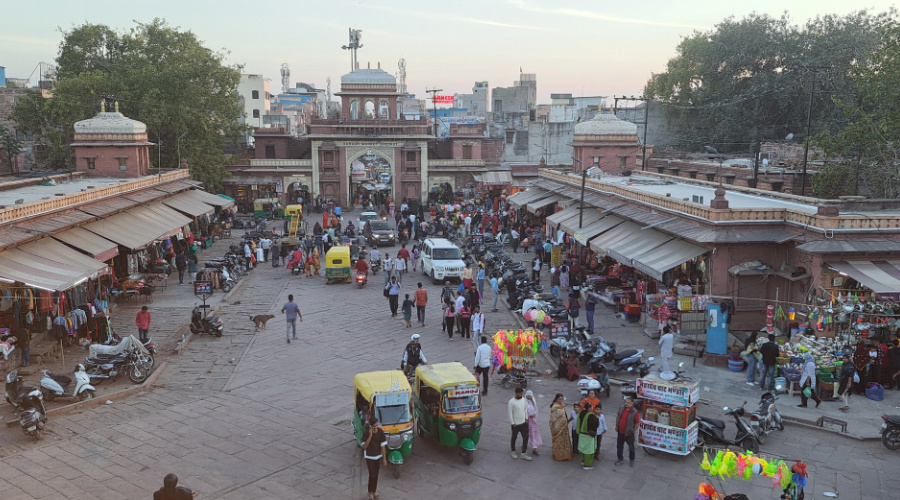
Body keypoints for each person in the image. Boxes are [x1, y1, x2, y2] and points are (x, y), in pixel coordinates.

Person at [362, 416, 387, 500]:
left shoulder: (380, 432)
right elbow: (364, 447)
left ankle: (374, 491)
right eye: (374, 426)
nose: (375, 427)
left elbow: (383, 446)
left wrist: (384, 458)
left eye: (376, 425)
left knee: (376, 475)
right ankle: (369, 492)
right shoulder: (366, 433)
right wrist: (370, 436)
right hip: (369, 457)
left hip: (378, 456)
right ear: (370, 426)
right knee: (372, 475)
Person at [615, 397, 640, 467]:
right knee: (619, 446)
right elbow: (618, 415)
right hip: (620, 431)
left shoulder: (635, 412)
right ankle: (620, 459)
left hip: (629, 433)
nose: (626, 404)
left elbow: (637, 423)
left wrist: (633, 431)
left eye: (628, 403)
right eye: (626, 402)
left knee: (631, 447)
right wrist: (617, 425)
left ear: (632, 404)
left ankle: (632, 460)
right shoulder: (622, 408)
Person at [508, 387, 532, 460]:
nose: (521, 394)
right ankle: (513, 451)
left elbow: (525, 409)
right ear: (516, 393)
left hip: (523, 422)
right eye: (520, 393)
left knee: (526, 437)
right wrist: (512, 422)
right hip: (515, 424)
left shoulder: (524, 400)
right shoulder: (511, 402)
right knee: (514, 437)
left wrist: (526, 417)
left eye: (522, 393)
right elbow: (510, 413)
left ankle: (523, 453)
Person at [549, 394, 573, 461]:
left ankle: (566, 455)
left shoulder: (562, 405)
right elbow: (553, 418)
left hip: (564, 427)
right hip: (557, 428)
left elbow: (564, 415)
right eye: (559, 399)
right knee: (558, 441)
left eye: (562, 399)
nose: (561, 400)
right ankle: (558, 456)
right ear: (556, 399)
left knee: (564, 441)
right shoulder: (555, 407)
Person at [577, 401, 599, 469]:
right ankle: (587, 464)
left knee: (583, 449)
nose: (592, 408)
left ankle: (583, 460)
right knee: (589, 450)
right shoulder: (591, 415)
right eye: (592, 406)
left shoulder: (580, 413)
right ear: (589, 408)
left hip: (581, 434)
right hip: (588, 435)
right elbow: (596, 425)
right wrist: (597, 419)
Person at [525, 390, 543, 456]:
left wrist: (534, 414)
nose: (529, 397)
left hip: (533, 421)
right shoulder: (524, 402)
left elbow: (536, 410)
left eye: (530, 396)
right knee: (526, 433)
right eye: (528, 396)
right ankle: (525, 443)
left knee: (533, 433)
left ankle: (534, 448)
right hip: (526, 420)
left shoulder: (533, 401)